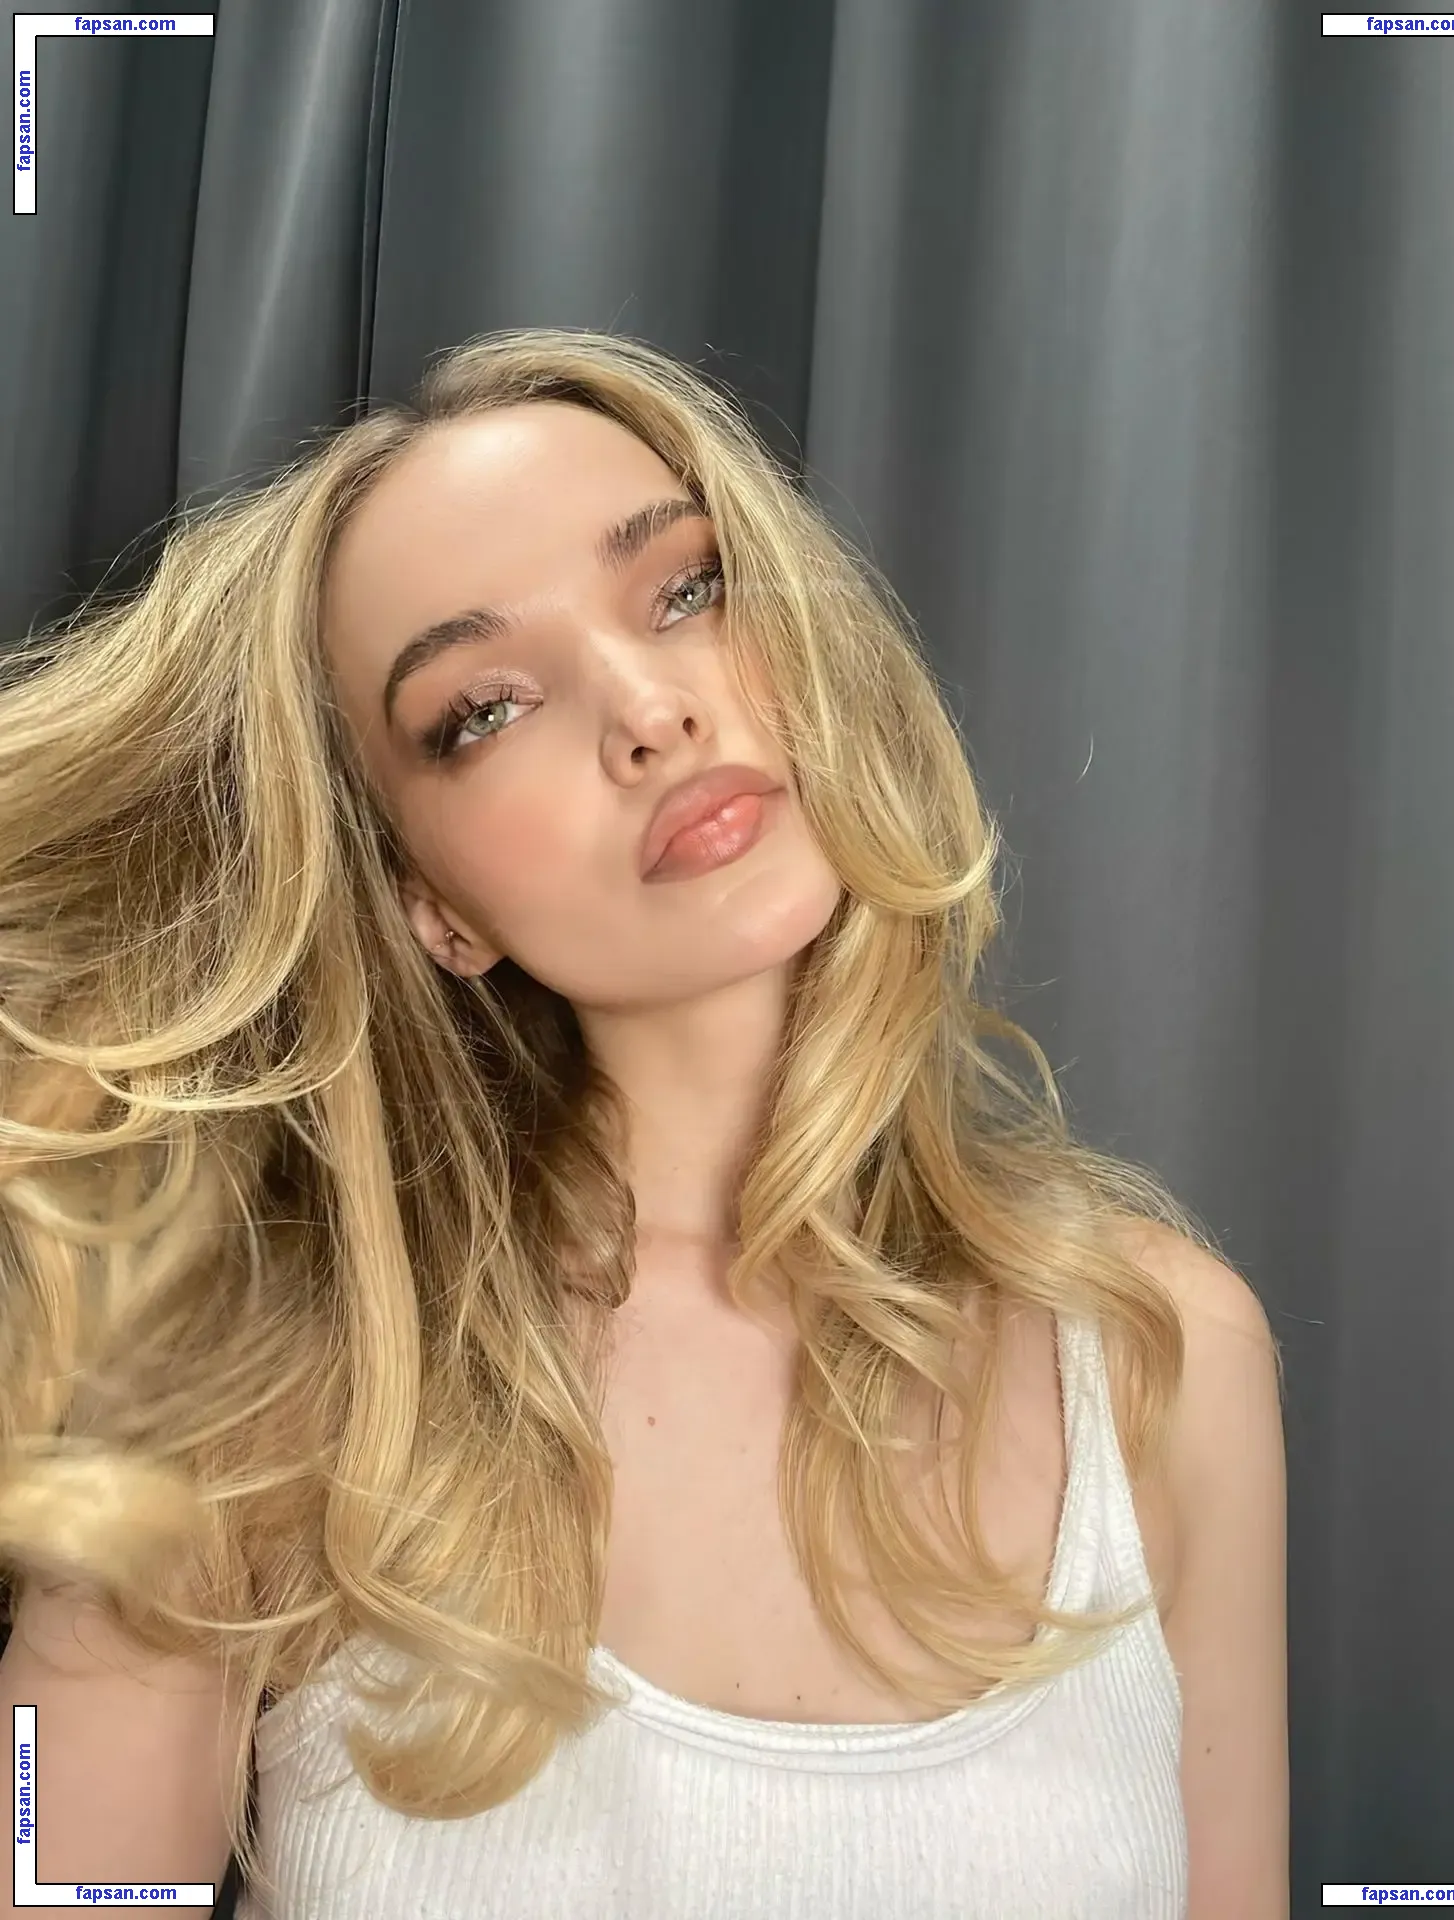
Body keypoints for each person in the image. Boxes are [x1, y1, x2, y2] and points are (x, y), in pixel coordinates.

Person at [0, 328, 1289, 1919]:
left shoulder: (1160, 1355)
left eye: (686, 589)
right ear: (431, 905)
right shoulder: (254, 1403)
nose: (648, 712)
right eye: (484, 708)